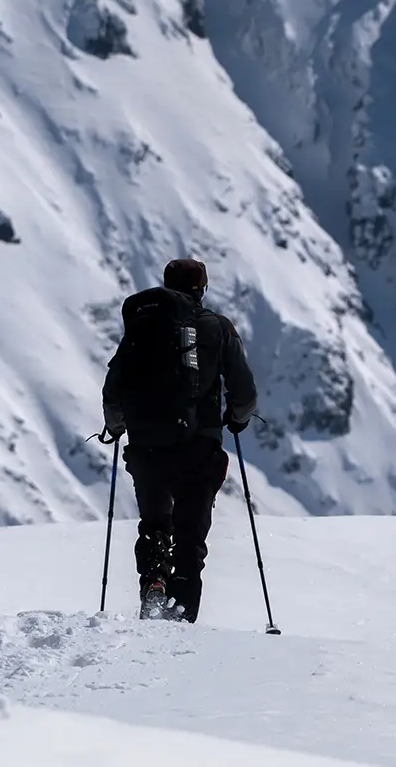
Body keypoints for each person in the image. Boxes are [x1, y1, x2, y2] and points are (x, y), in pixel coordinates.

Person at [102, 258, 258, 622]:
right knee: (190, 535)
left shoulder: (141, 328)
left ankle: (154, 583)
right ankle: (180, 611)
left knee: (155, 524)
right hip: (198, 449)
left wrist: (118, 425)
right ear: (202, 289)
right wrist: (236, 420)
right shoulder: (218, 328)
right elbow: (245, 393)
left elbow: (114, 387)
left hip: (146, 447)